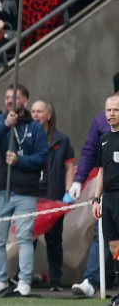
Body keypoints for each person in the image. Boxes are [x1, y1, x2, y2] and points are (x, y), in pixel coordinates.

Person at [0, 84, 49, 298]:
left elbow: (42, 157)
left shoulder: (35, 128)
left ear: (24, 101)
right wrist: (5, 125)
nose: (10, 101)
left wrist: (21, 161)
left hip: (25, 190)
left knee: (24, 237)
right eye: (7, 97)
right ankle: (0, 280)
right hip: (0, 188)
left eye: (15, 97)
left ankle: (24, 281)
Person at [30, 99, 74, 292]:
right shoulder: (27, 138)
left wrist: (68, 191)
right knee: (27, 238)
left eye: (39, 111)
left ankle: (55, 280)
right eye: (33, 111)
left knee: (54, 239)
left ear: (49, 115)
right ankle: (21, 278)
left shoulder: (61, 140)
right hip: (32, 195)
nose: (35, 115)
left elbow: (69, 166)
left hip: (53, 195)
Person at [92, 95, 119, 306]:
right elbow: (101, 171)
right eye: (108, 110)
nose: (111, 113)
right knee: (113, 246)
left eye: (116, 110)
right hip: (108, 199)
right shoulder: (103, 139)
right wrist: (95, 199)